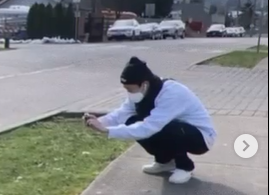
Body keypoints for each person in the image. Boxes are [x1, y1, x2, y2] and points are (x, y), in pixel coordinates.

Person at [84, 57, 216, 184]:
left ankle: (185, 166)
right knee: (131, 120)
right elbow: (121, 113)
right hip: (176, 129)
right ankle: (164, 162)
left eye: (130, 89)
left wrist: (108, 131)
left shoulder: (172, 93)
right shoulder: (143, 91)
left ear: (144, 84)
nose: (129, 93)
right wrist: (99, 122)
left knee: (168, 127)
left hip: (201, 138)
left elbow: (149, 128)